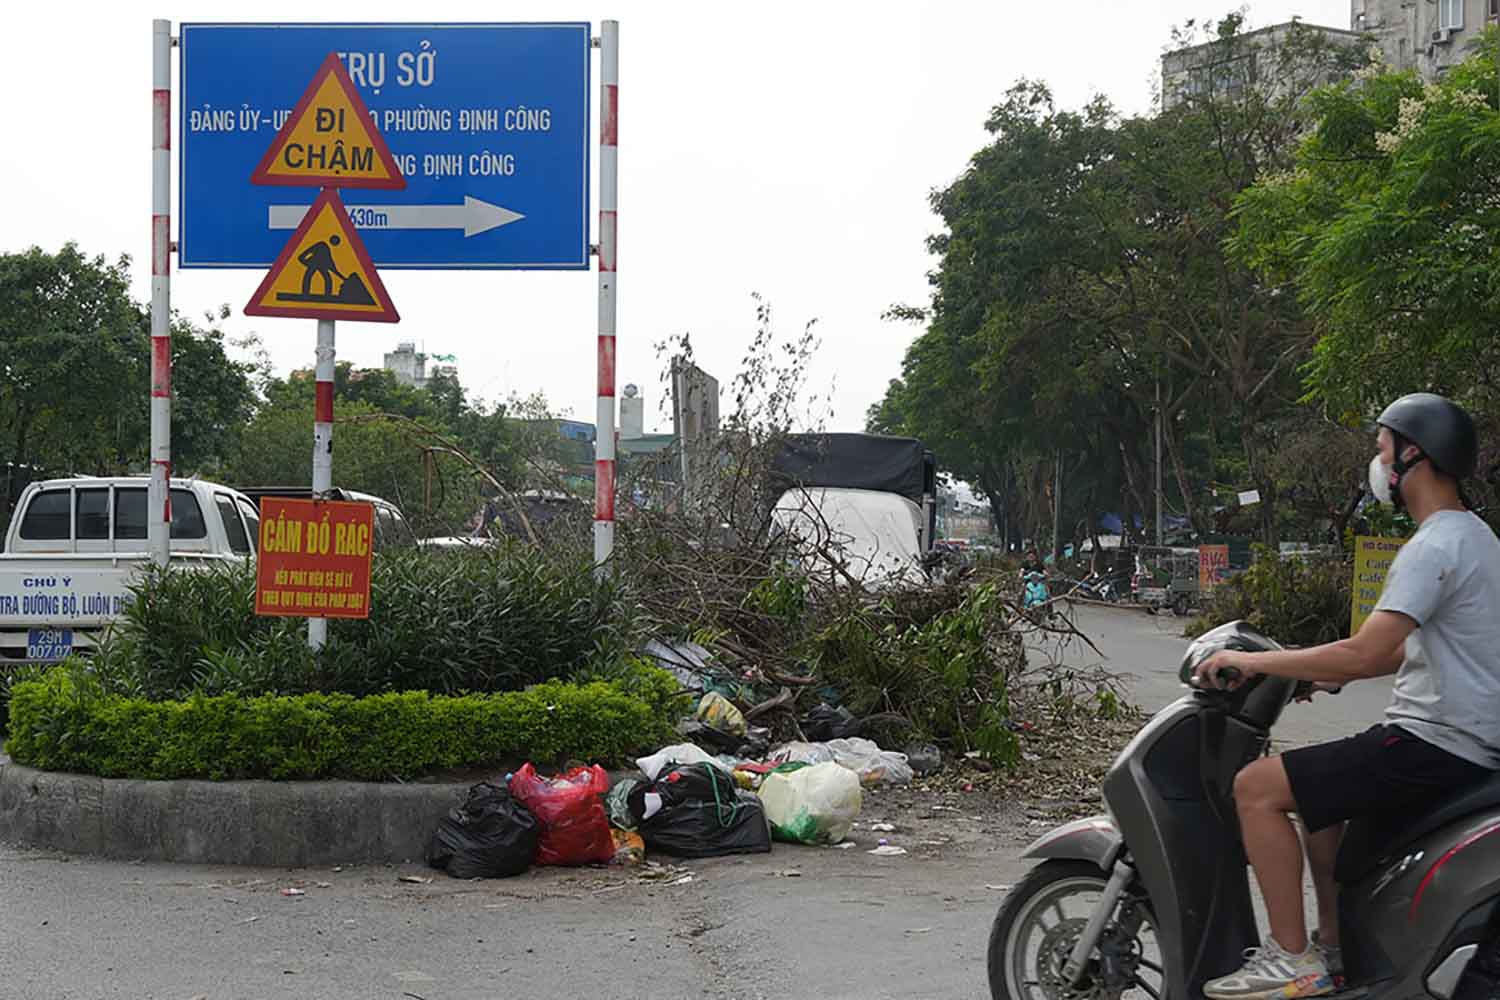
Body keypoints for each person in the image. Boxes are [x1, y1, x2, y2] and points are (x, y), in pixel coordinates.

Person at [1193, 393, 1500, 1000]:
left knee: (1256, 788)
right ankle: (1333, 947)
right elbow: (1389, 652)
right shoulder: (1475, 538)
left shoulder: (1433, 546)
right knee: (1321, 803)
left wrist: (1252, 661)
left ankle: (1290, 958)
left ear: (1413, 455)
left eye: (1383, 446)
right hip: (1461, 740)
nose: (1377, 460)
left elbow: (1364, 651)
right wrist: (1313, 675)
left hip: (1432, 742)